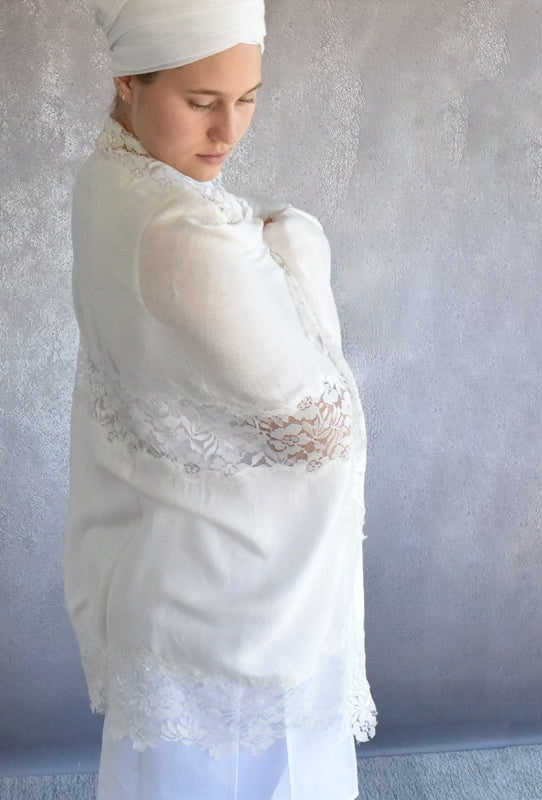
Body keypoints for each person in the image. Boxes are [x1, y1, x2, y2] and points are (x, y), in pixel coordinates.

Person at [64, 1, 376, 797]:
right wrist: (300, 250)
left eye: (248, 99)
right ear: (127, 80)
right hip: (238, 618)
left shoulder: (108, 176)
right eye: (201, 102)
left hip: (164, 581)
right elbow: (327, 428)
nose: (228, 132)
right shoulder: (184, 236)